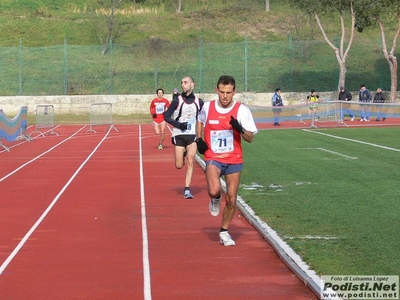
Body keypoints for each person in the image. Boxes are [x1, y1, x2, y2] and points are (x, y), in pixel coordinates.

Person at [196, 75, 258, 246]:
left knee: (231, 198)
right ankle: (215, 199)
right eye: (222, 92)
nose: (225, 96)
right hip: (213, 157)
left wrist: (240, 128)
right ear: (217, 90)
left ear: (234, 92)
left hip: (234, 159)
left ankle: (224, 232)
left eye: (228, 93)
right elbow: (200, 121)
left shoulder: (242, 111)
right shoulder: (208, 107)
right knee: (214, 190)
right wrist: (198, 139)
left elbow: (250, 138)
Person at [164, 76, 204, 199]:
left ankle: (187, 189)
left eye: (186, 83)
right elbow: (166, 116)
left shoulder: (199, 102)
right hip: (179, 134)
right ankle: (183, 152)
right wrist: (178, 124)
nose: (183, 85)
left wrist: (200, 137)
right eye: (182, 83)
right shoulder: (177, 100)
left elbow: (202, 119)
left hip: (192, 135)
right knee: (179, 165)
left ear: (192, 85)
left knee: (191, 161)